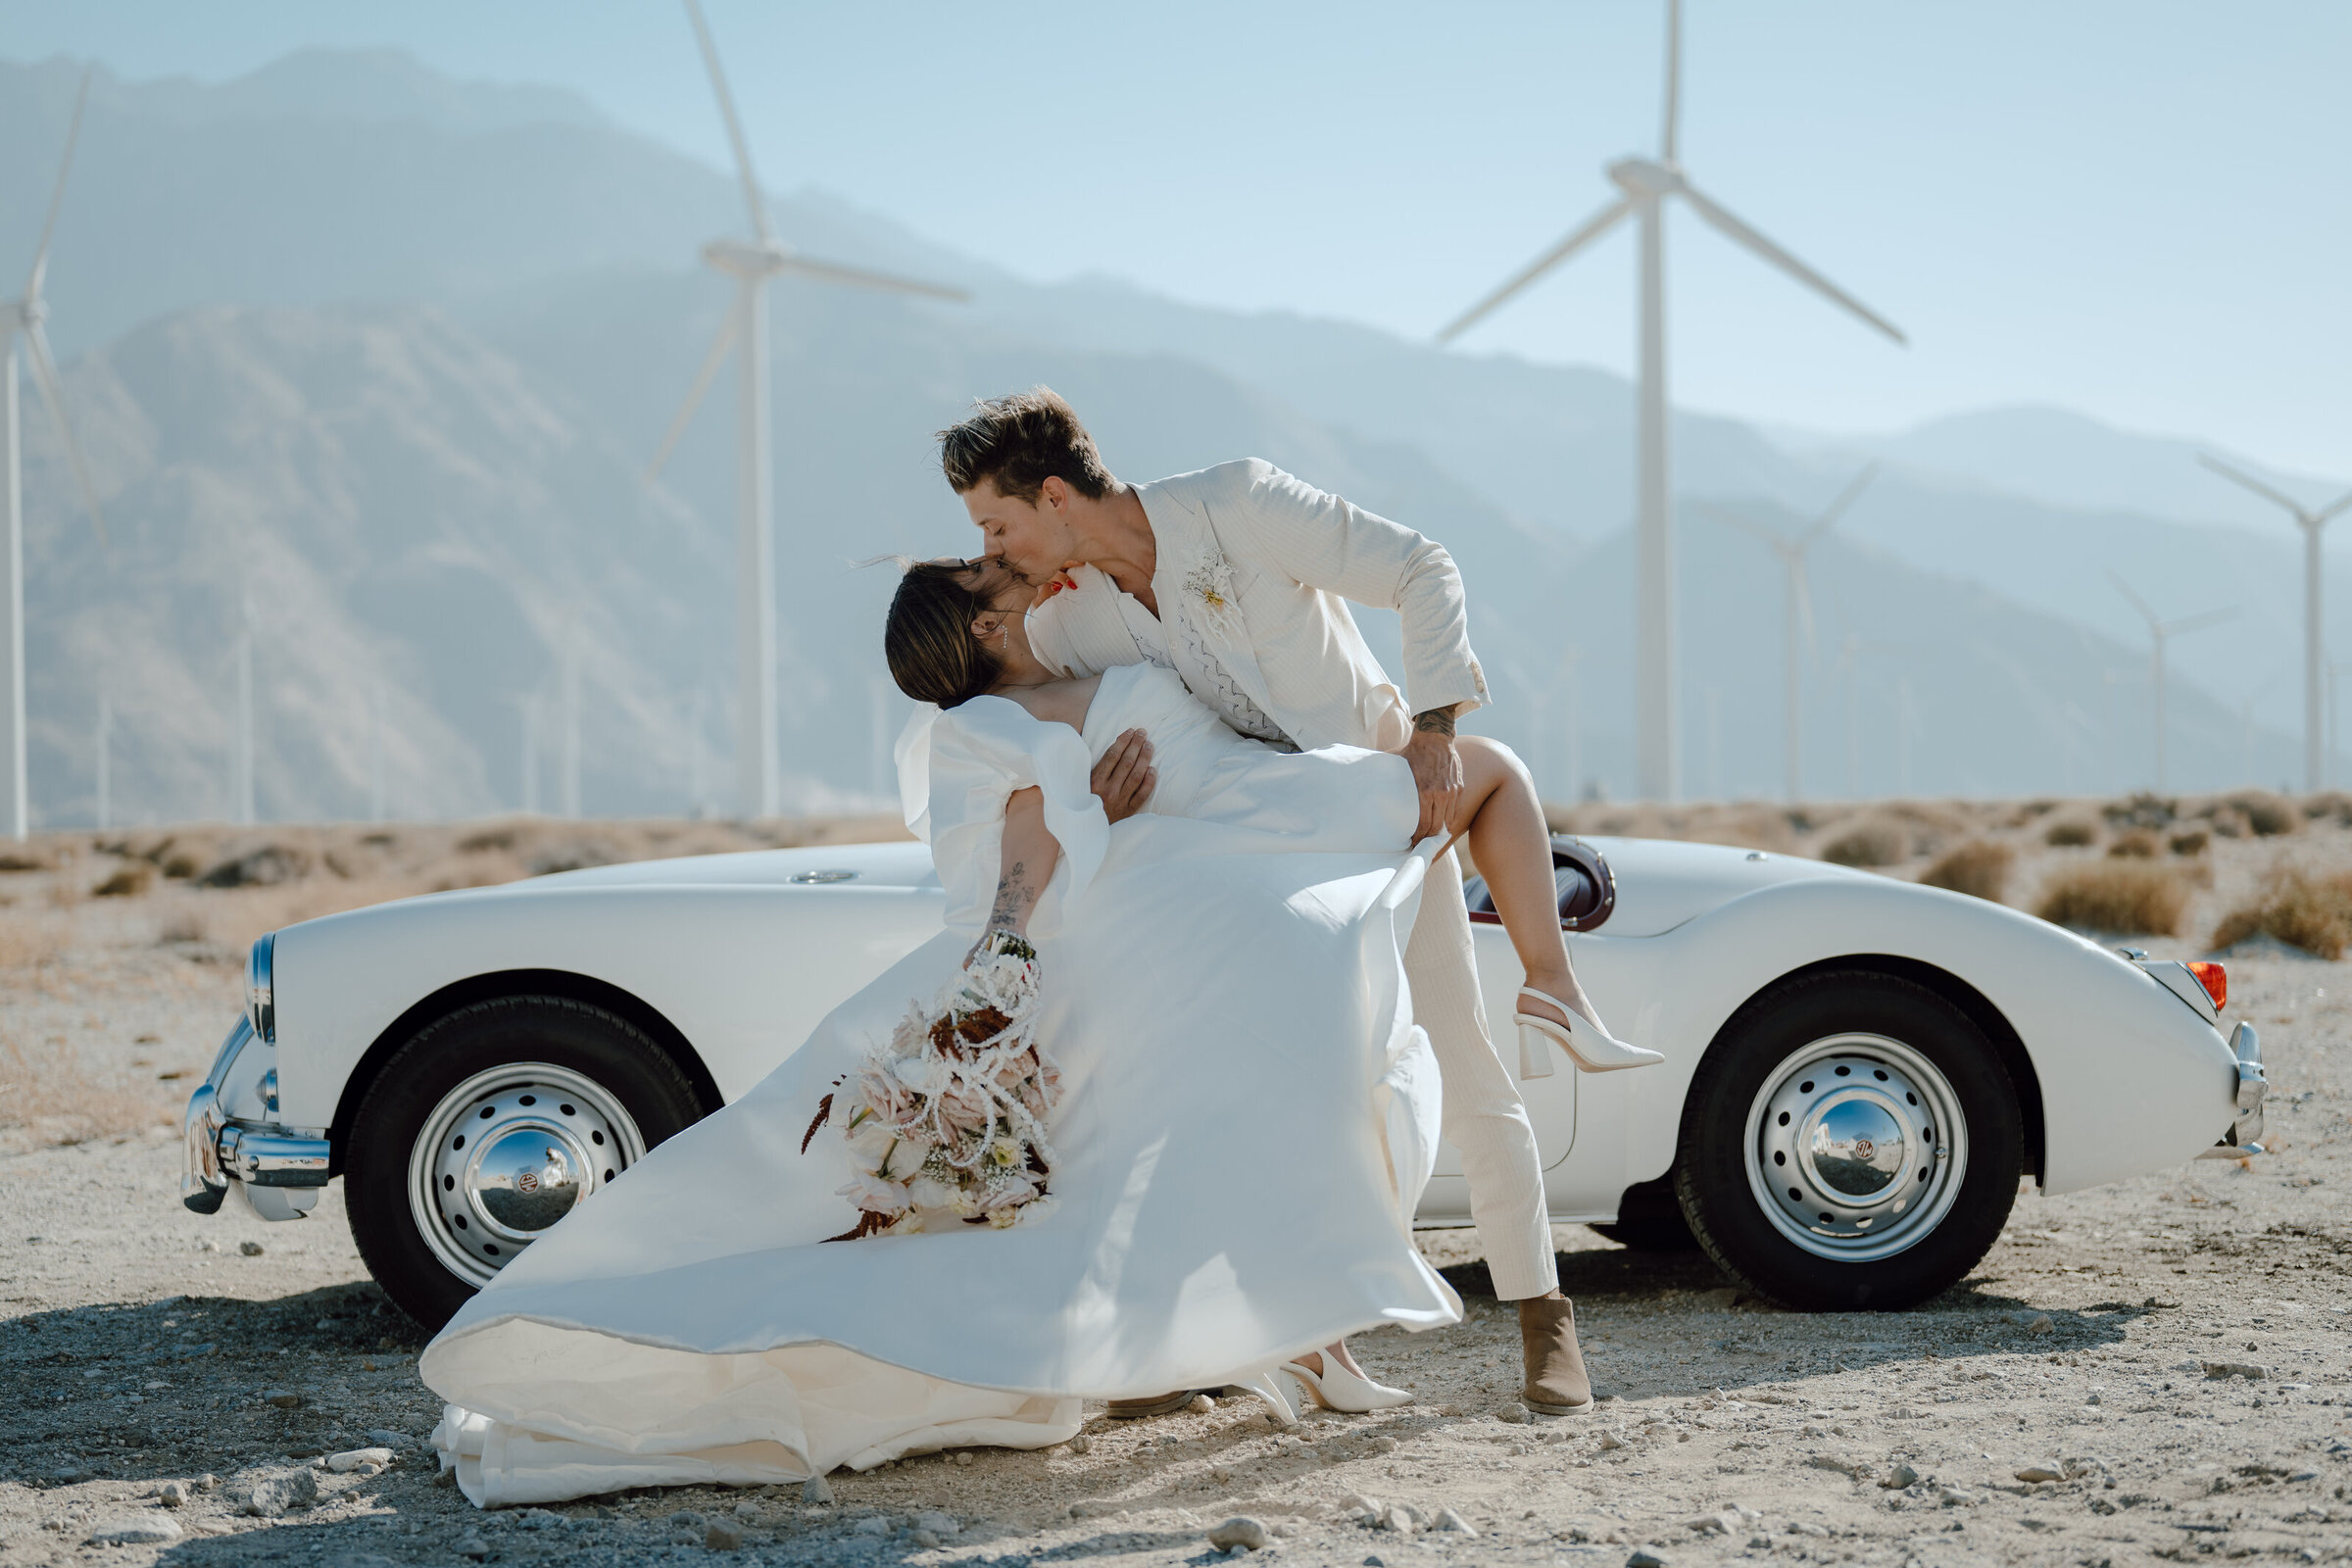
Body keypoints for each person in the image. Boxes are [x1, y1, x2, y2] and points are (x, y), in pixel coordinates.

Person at [420, 563, 1469, 1506]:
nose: (999, 565)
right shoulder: (998, 725)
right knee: (1215, 1127)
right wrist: (1019, 931)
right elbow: (1023, 843)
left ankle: (1304, 1335)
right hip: (1147, 932)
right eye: (981, 570)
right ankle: (1304, 1337)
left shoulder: (1089, 643)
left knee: (1288, 1093)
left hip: (1231, 876)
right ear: (983, 623)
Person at [942, 388, 1657, 1419]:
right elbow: (1056, 730)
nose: (997, 549)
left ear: (1055, 493)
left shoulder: (1237, 502)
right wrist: (1092, 805)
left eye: (997, 523)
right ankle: (1223, 1343)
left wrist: (1433, 724)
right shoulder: (1067, 620)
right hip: (1257, 866)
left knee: (1460, 1057)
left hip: (1388, 808)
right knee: (1266, 1091)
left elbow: (1422, 568)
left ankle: (1546, 1317)